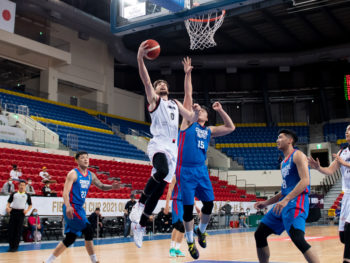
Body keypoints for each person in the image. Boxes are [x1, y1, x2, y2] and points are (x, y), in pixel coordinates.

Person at [129, 42, 201, 248]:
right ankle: (139, 204)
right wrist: (140, 58)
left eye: (163, 83)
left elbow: (189, 112)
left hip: (173, 150)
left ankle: (141, 225)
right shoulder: (154, 102)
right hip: (158, 144)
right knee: (160, 171)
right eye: (158, 83)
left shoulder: (174, 104)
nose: (161, 85)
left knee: (159, 190)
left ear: (168, 88)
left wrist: (187, 75)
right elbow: (145, 79)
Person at [176, 57, 235, 259]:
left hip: (201, 169)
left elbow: (230, 128)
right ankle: (191, 242)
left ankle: (202, 229)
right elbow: (188, 94)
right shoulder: (187, 123)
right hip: (185, 170)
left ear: (206, 116)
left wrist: (221, 110)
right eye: (196, 108)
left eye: (202, 109)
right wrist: (188, 73)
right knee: (187, 209)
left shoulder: (208, 129)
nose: (198, 108)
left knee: (209, 204)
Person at [254, 129, 319, 263]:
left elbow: (305, 181)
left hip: (297, 201)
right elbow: (284, 190)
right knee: (259, 234)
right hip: (284, 202)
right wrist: (266, 203)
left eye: (280, 137)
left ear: (290, 140)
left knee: (298, 238)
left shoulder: (298, 155)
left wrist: (286, 200)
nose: (277, 140)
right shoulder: (283, 162)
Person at [44, 151, 120, 263]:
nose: (86, 159)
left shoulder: (91, 175)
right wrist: (68, 206)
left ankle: (48, 261)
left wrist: (111, 187)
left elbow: (102, 186)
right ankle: (94, 260)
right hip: (71, 207)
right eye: (82, 158)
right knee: (88, 229)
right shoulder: (73, 174)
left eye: (87, 158)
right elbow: (65, 193)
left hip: (80, 209)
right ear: (77, 160)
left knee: (70, 238)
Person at [308, 124, 350, 263]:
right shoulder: (342, 152)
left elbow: (344, 164)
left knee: (349, 229)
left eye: (349, 130)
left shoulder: (343, 158)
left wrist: (344, 163)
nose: (347, 133)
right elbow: (330, 171)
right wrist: (318, 168)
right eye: (346, 131)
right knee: (343, 237)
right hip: (347, 195)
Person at [6, 180, 32, 252]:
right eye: (21, 185)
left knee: (18, 230)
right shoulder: (14, 194)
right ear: (18, 186)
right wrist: (8, 207)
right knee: (11, 230)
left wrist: (27, 210)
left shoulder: (27, 195)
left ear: (25, 186)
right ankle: (11, 246)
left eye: (23, 185)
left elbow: (30, 205)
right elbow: (9, 202)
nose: (22, 187)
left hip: (21, 213)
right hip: (13, 212)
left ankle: (15, 247)